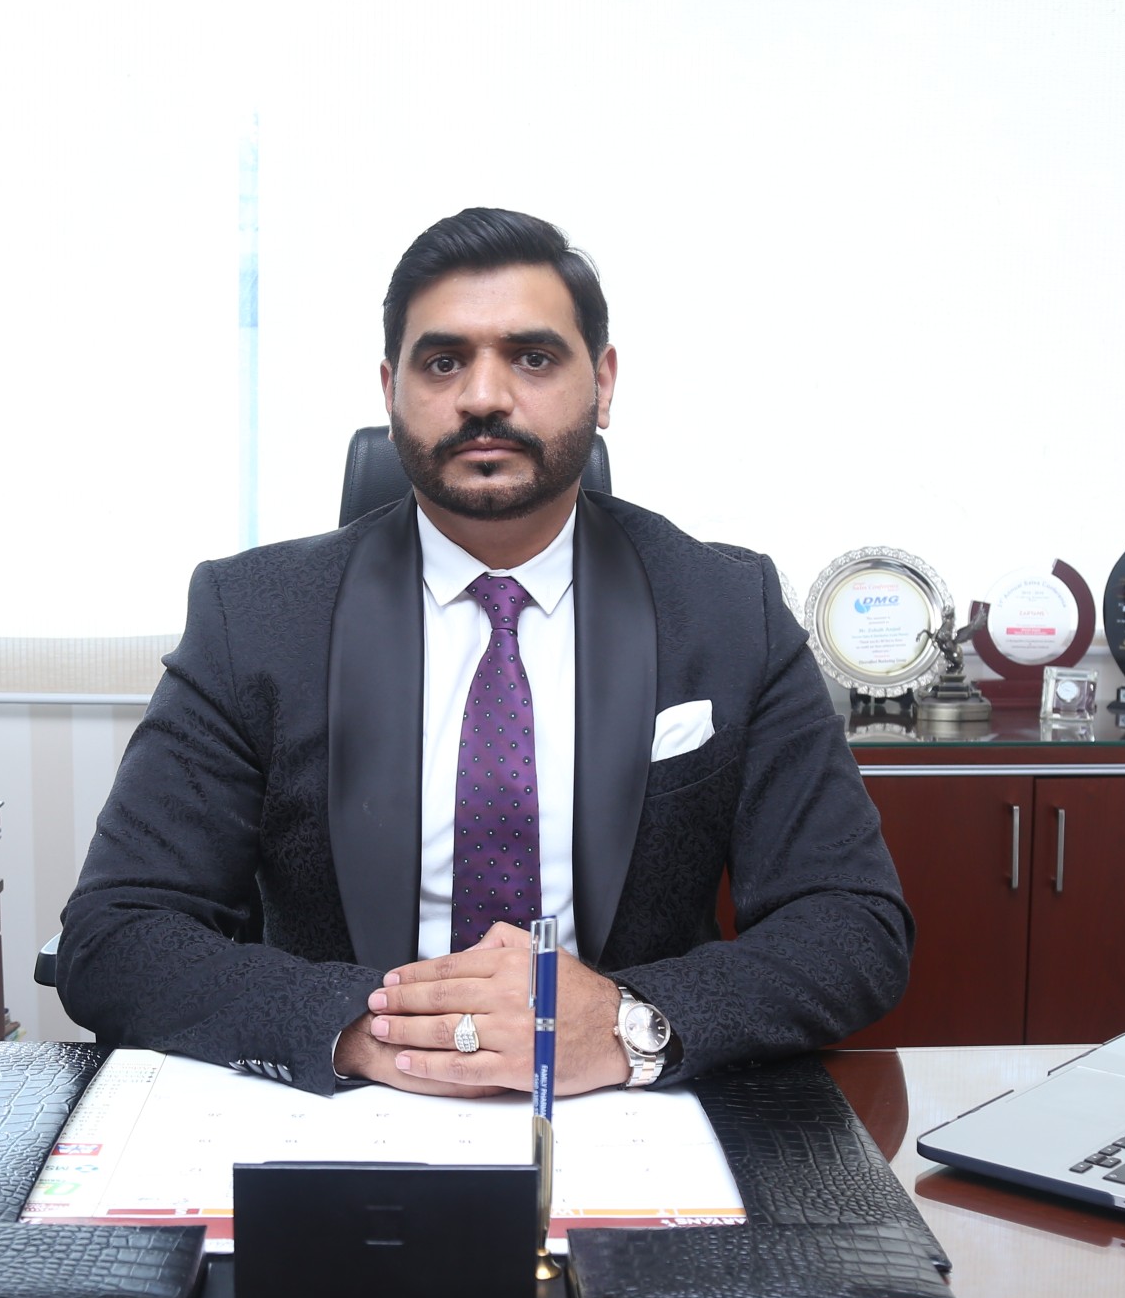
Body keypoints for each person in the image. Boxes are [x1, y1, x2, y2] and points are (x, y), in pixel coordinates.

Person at [57, 207, 910, 1097]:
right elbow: (117, 934)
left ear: (603, 383)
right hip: (352, 1107)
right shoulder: (256, 618)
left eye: (533, 358)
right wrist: (369, 1030)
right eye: (443, 362)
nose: (484, 398)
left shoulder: (727, 610)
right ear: (390, 389)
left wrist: (625, 1022)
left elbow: (852, 924)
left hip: (624, 1108)